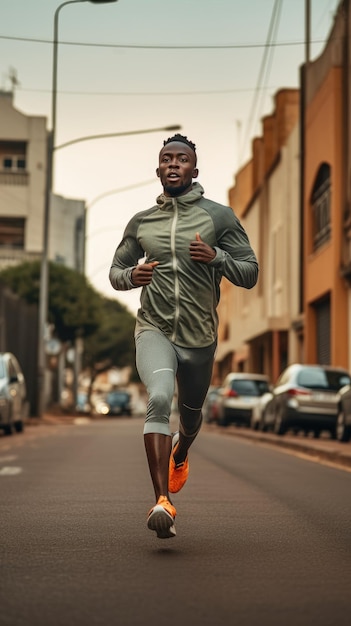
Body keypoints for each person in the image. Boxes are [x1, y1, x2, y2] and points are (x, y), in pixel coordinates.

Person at [109, 134, 258, 539]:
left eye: (182, 159)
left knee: (190, 420)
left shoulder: (219, 217)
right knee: (158, 398)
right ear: (158, 170)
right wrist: (130, 277)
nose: (174, 164)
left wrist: (218, 258)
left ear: (194, 169)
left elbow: (250, 272)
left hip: (199, 337)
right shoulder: (142, 221)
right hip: (154, 326)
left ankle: (182, 450)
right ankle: (163, 502)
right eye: (166, 159)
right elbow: (116, 270)